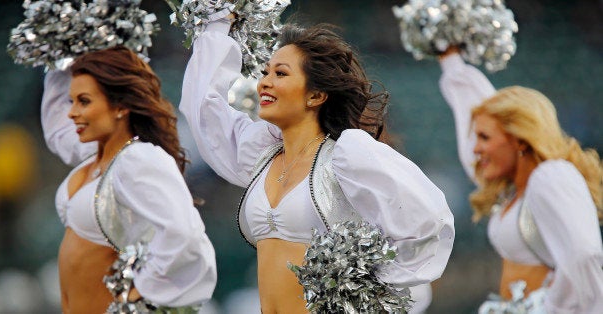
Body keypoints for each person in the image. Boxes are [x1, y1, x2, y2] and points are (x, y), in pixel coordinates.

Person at [179, 14, 455, 313]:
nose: (263, 83)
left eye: (280, 74)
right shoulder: (260, 157)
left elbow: (428, 222)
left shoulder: (346, 154)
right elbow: (205, 113)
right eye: (264, 72)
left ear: (316, 95)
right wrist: (215, 24)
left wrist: (368, 293)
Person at [40, 46, 217, 313]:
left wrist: (140, 293)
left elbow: (184, 235)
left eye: (84, 101)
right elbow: (57, 132)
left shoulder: (139, 159)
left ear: (120, 106)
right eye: (71, 101)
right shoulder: (92, 156)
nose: (72, 112)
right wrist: (61, 53)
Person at [439, 48, 603, 313]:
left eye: (484, 138)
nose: (476, 149)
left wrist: (550, 309)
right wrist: (450, 61)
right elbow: (478, 116)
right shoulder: (512, 190)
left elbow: (584, 255)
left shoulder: (551, 176)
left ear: (518, 138)